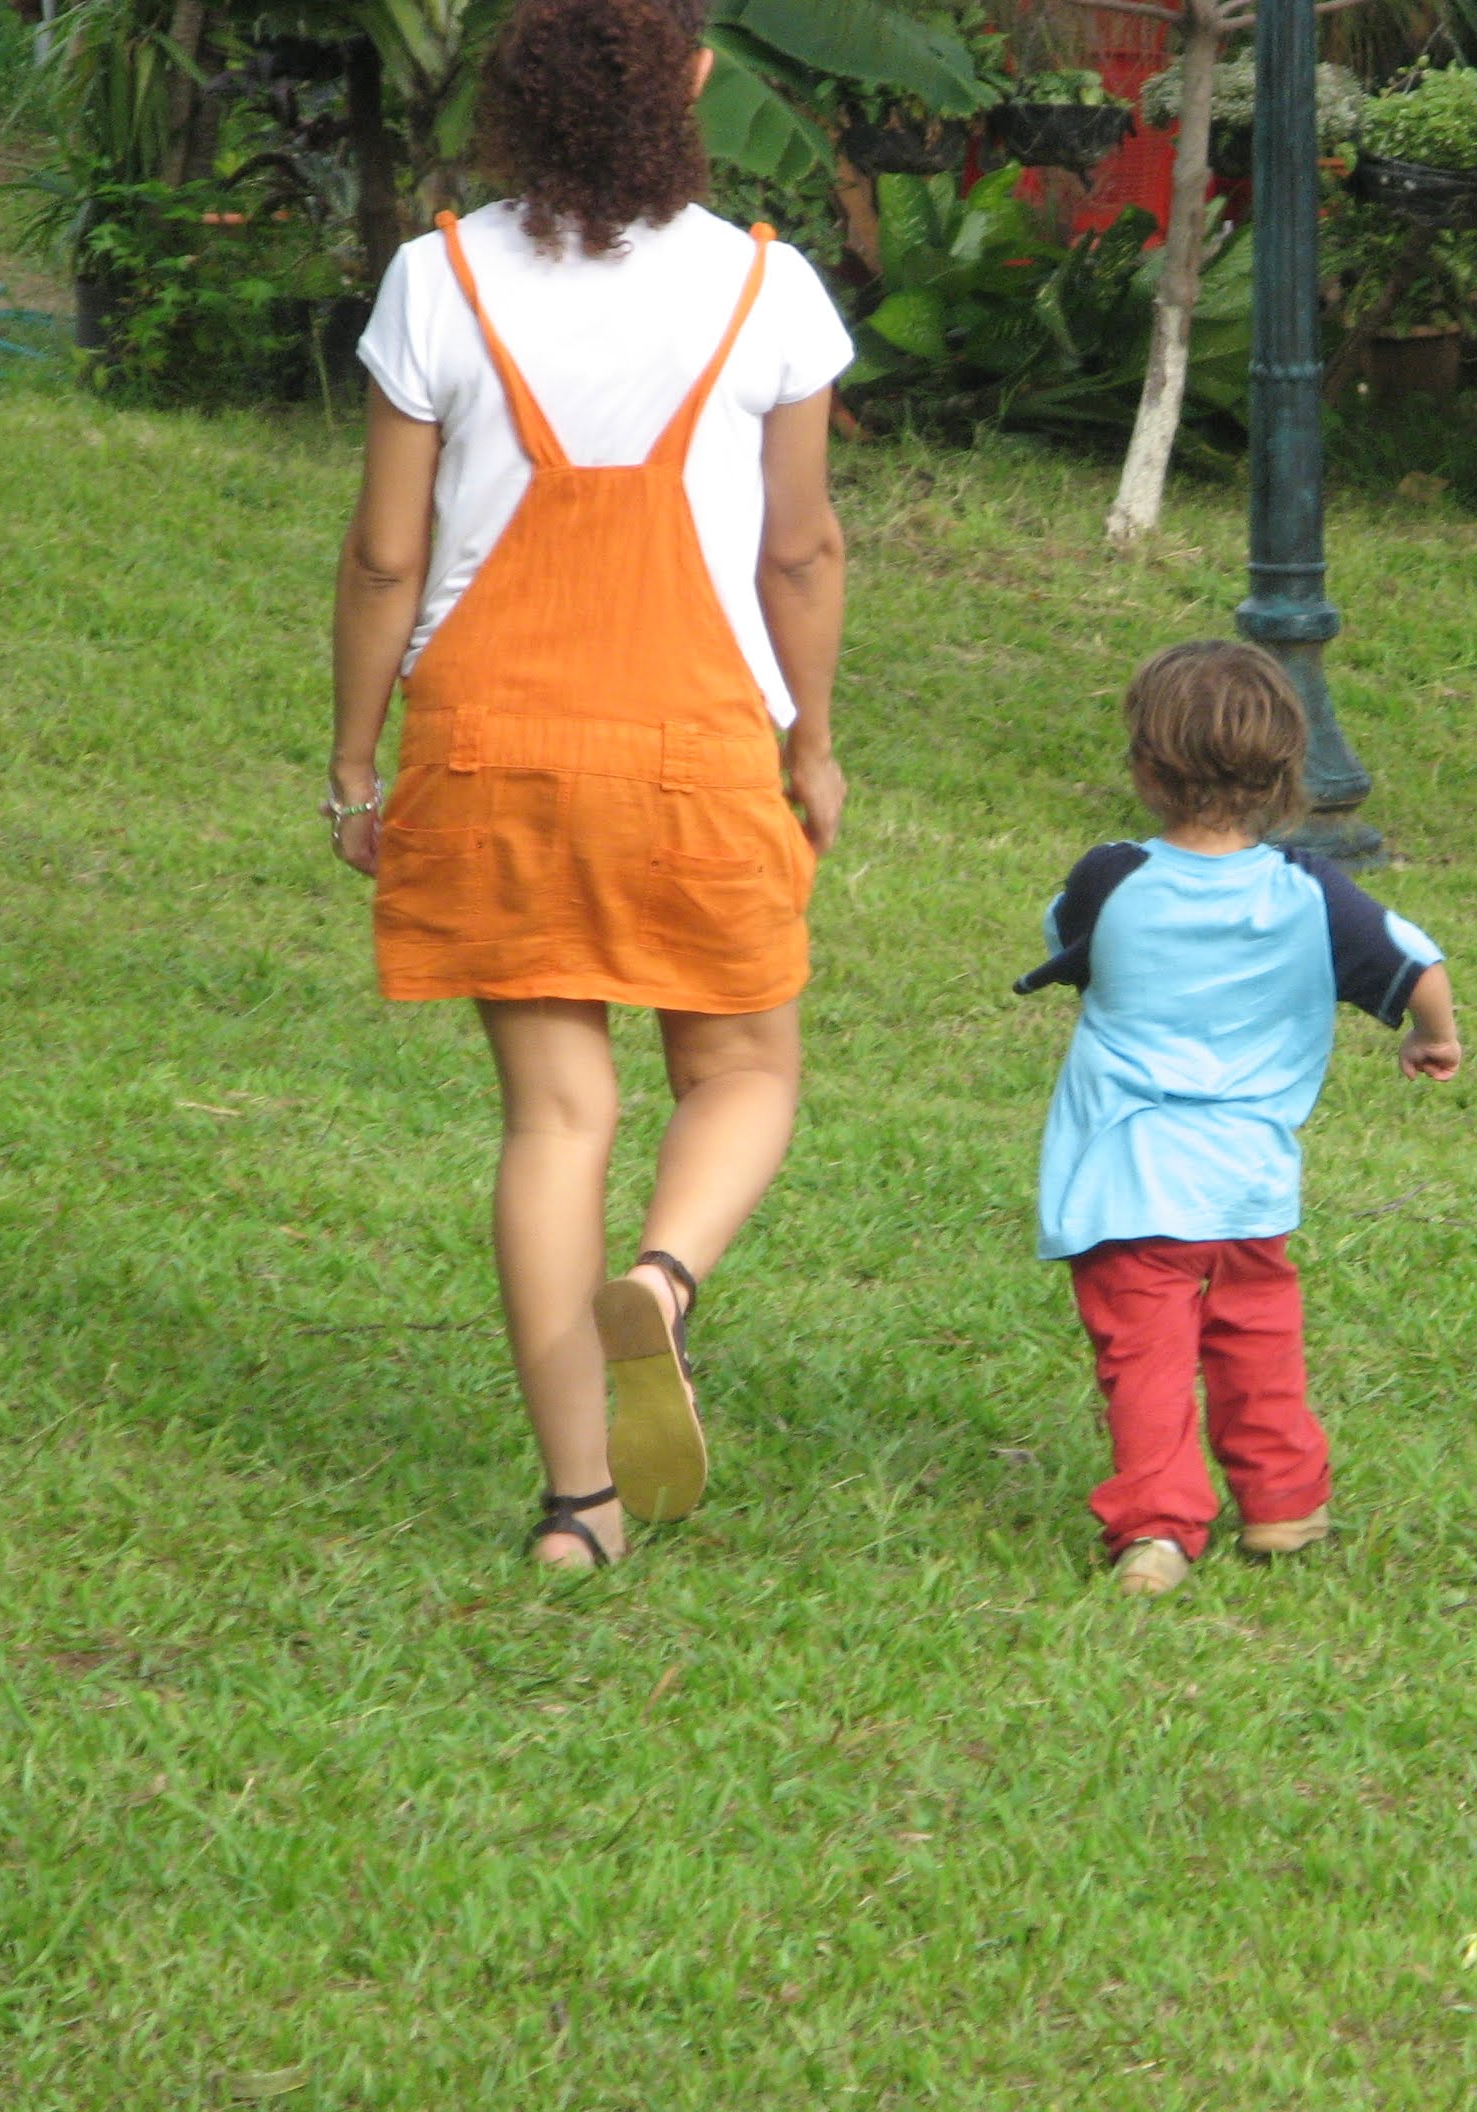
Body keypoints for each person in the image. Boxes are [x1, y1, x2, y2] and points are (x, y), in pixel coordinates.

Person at [322, 0, 853, 1568]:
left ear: (519, 101)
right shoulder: (768, 285)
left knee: (556, 1116)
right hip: (693, 743)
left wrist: (357, 764)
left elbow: (382, 556)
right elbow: (801, 548)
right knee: (745, 1073)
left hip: (491, 741)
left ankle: (580, 1509)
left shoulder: (440, 274)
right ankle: (669, 1278)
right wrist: (811, 741)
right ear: (690, 87)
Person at [1016, 642, 1463, 1596]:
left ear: (1144, 767)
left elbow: (1064, 941)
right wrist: (1433, 1038)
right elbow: (1417, 964)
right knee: (1257, 1340)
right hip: (1250, 1182)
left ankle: (1158, 1531)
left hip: (1126, 1182)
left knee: (1146, 1359)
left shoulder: (1111, 877)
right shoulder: (1313, 894)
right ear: (1288, 773)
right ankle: (1284, 1508)